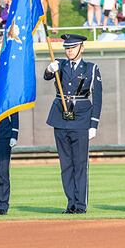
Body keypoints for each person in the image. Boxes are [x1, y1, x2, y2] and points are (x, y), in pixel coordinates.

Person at [43, 34, 102, 214]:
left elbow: (97, 98)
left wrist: (94, 124)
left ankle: (80, 204)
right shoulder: (59, 64)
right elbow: (46, 77)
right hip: (60, 117)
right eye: (67, 48)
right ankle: (71, 203)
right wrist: (48, 69)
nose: (69, 51)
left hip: (81, 118)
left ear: (81, 48)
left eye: (73, 48)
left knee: (80, 163)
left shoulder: (91, 68)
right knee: (66, 164)